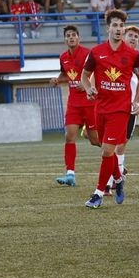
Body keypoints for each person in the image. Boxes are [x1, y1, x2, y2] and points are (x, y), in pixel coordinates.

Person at [79, 9, 139, 209]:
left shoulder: (132, 55)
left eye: (121, 25)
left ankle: (98, 193)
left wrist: (136, 99)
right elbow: (84, 74)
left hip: (120, 110)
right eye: (115, 25)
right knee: (106, 149)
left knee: (107, 150)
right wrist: (90, 87)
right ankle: (118, 178)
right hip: (100, 108)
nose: (118, 29)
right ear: (108, 28)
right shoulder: (96, 52)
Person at [50, 25, 100, 187]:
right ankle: (70, 174)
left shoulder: (87, 54)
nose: (71, 37)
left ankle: (117, 155)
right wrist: (58, 80)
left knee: (94, 140)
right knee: (69, 135)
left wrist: (86, 84)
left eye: (74, 35)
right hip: (73, 104)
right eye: (68, 35)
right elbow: (65, 75)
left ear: (79, 38)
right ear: (65, 39)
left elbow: (96, 73)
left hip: (89, 102)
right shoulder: (63, 57)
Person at [109, 25, 139, 190]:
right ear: (123, 37)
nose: (133, 38)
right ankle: (115, 176)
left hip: (131, 107)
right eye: (130, 35)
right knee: (110, 143)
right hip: (113, 106)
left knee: (122, 143)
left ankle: (117, 175)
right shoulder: (112, 56)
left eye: (136, 36)